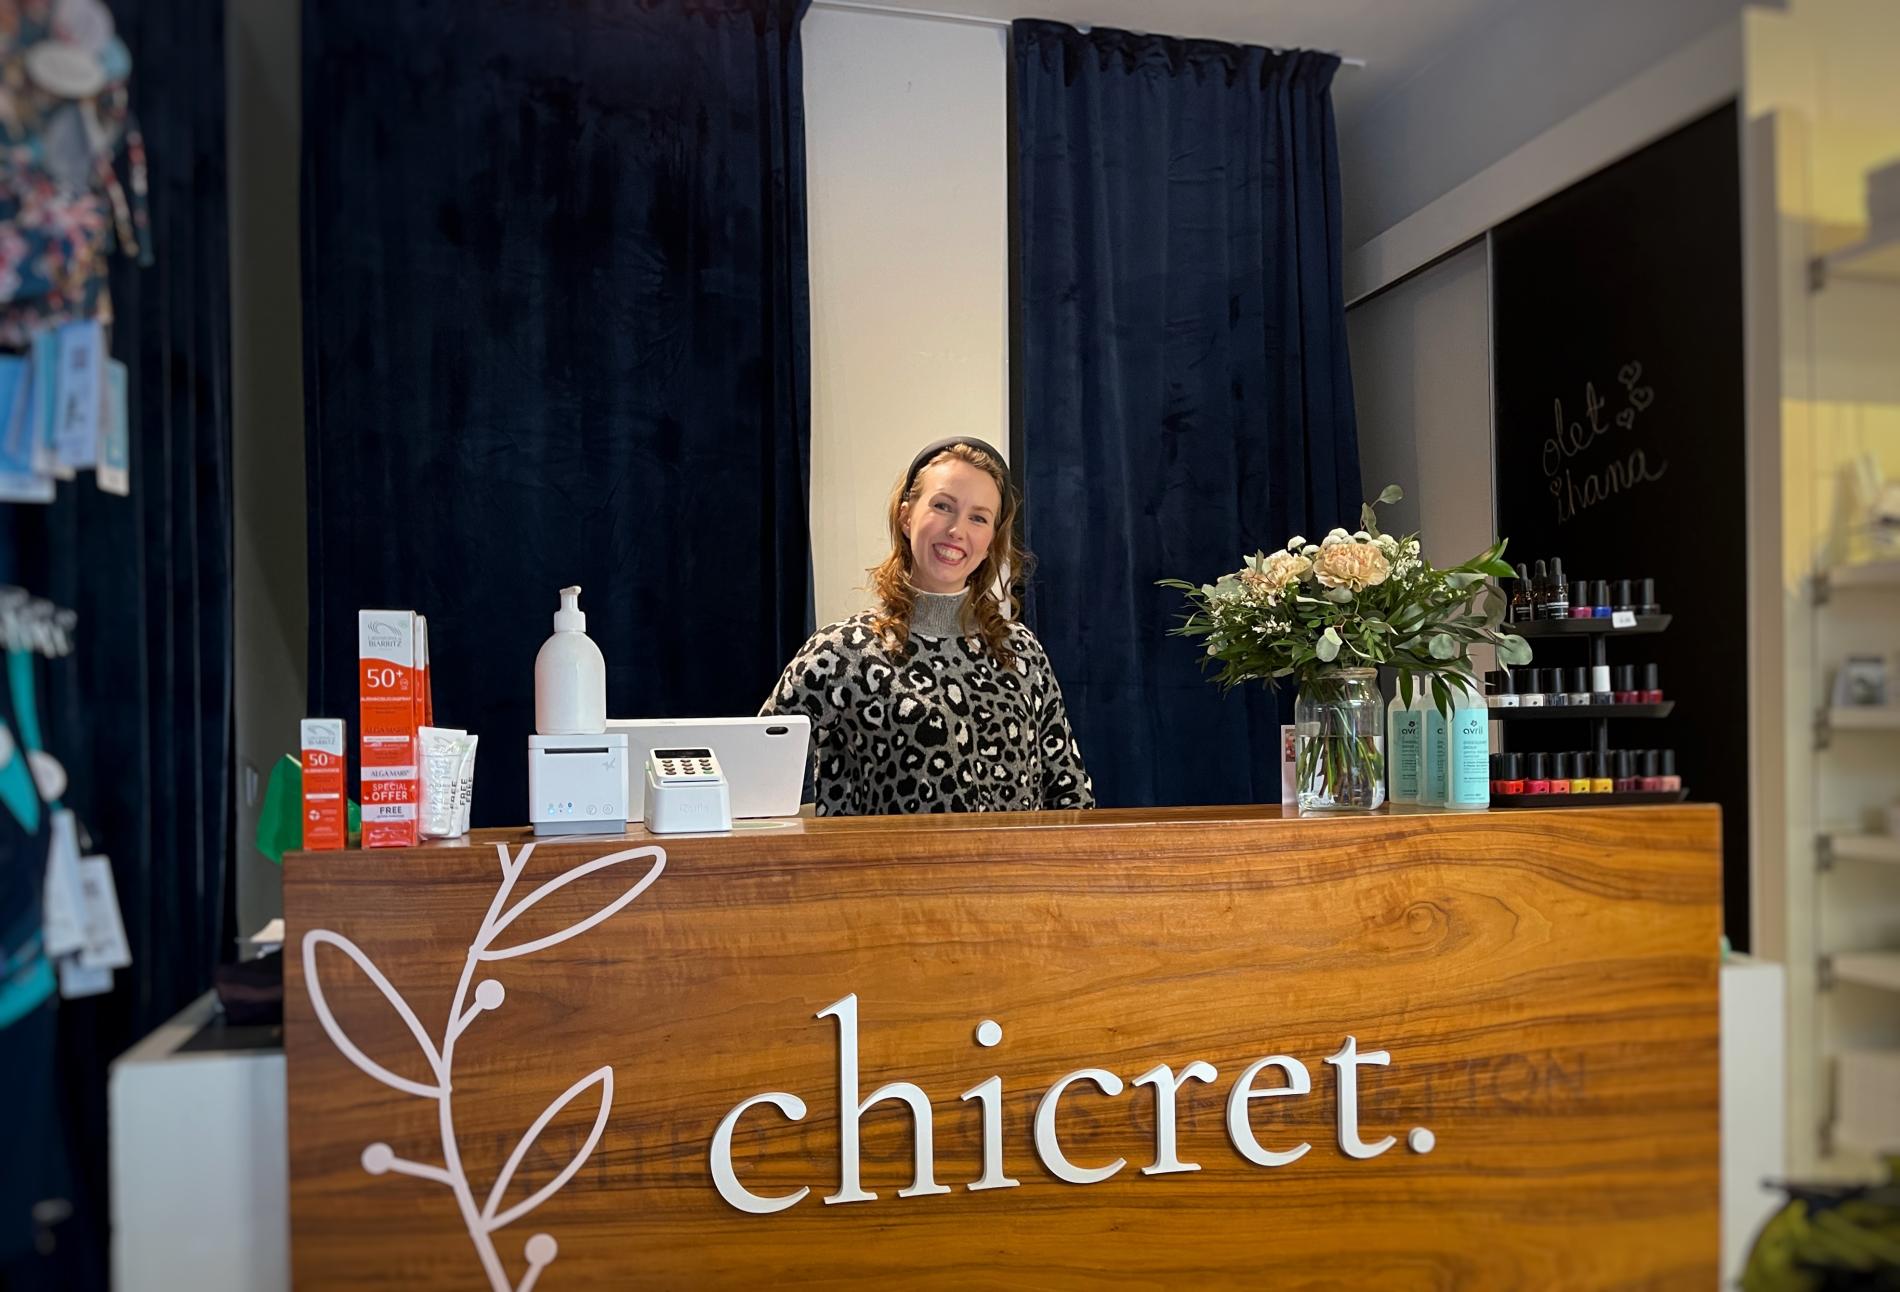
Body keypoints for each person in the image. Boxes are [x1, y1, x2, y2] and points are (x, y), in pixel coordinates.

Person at [761, 437, 1094, 816]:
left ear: (991, 541)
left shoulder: (1022, 652)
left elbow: (1071, 798)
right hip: (885, 875)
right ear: (906, 516)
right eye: (943, 506)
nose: (957, 529)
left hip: (1013, 876)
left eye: (978, 517)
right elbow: (755, 781)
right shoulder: (842, 652)